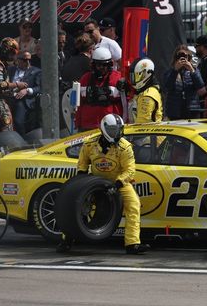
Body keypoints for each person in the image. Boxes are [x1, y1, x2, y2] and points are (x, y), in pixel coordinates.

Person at [57, 114, 149, 255]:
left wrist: (118, 184)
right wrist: (82, 185)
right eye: (113, 130)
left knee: (134, 204)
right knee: (78, 205)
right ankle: (67, 240)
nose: (116, 133)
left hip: (118, 182)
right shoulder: (89, 143)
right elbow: (82, 165)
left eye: (119, 129)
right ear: (103, 128)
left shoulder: (125, 147)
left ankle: (132, 244)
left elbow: (130, 170)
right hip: (94, 182)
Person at [76, 48, 124, 131]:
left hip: (111, 126)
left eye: (105, 65)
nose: (102, 68)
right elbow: (79, 103)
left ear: (110, 64)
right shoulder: (85, 79)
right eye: (99, 65)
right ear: (93, 65)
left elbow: (125, 103)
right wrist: (78, 123)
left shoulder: (118, 78)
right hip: (88, 125)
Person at [163, 45, 205, 120]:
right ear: (175, 58)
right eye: (179, 56)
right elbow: (167, 87)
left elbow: (200, 86)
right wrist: (175, 70)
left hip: (192, 111)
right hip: (175, 112)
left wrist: (192, 70)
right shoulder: (170, 72)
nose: (182, 58)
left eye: (185, 56)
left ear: (189, 57)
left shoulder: (194, 70)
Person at [0, 37, 20, 132]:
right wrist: (17, 84)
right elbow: (1, 84)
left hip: (3, 100)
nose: (14, 57)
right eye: (13, 54)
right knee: (7, 125)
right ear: (8, 52)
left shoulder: (2, 64)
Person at [8, 51, 41, 134]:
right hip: (8, 97)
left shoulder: (36, 71)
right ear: (17, 60)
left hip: (23, 100)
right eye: (25, 60)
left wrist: (27, 90)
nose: (28, 62)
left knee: (18, 121)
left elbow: (40, 87)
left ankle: (22, 141)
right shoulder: (10, 69)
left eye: (29, 60)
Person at [129, 58, 163, 123]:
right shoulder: (148, 90)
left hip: (146, 132)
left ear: (146, 74)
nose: (133, 80)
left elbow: (142, 123)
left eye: (136, 76)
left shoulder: (147, 95)